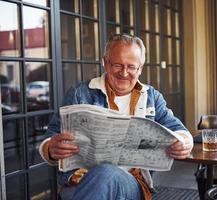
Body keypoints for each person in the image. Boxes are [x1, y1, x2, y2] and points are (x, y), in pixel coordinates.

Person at [39, 34, 193, 200]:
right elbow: (51, 138)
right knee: (102, 177)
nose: (124, 72)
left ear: (140, 68)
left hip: (131, 184)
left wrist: (184, 143)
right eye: (118, 65)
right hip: (79, 182)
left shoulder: (152, 98)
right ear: (105, 63)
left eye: (131, 66)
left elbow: (179, 131)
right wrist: (51, 149)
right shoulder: (79, 94)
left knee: (106, 173)